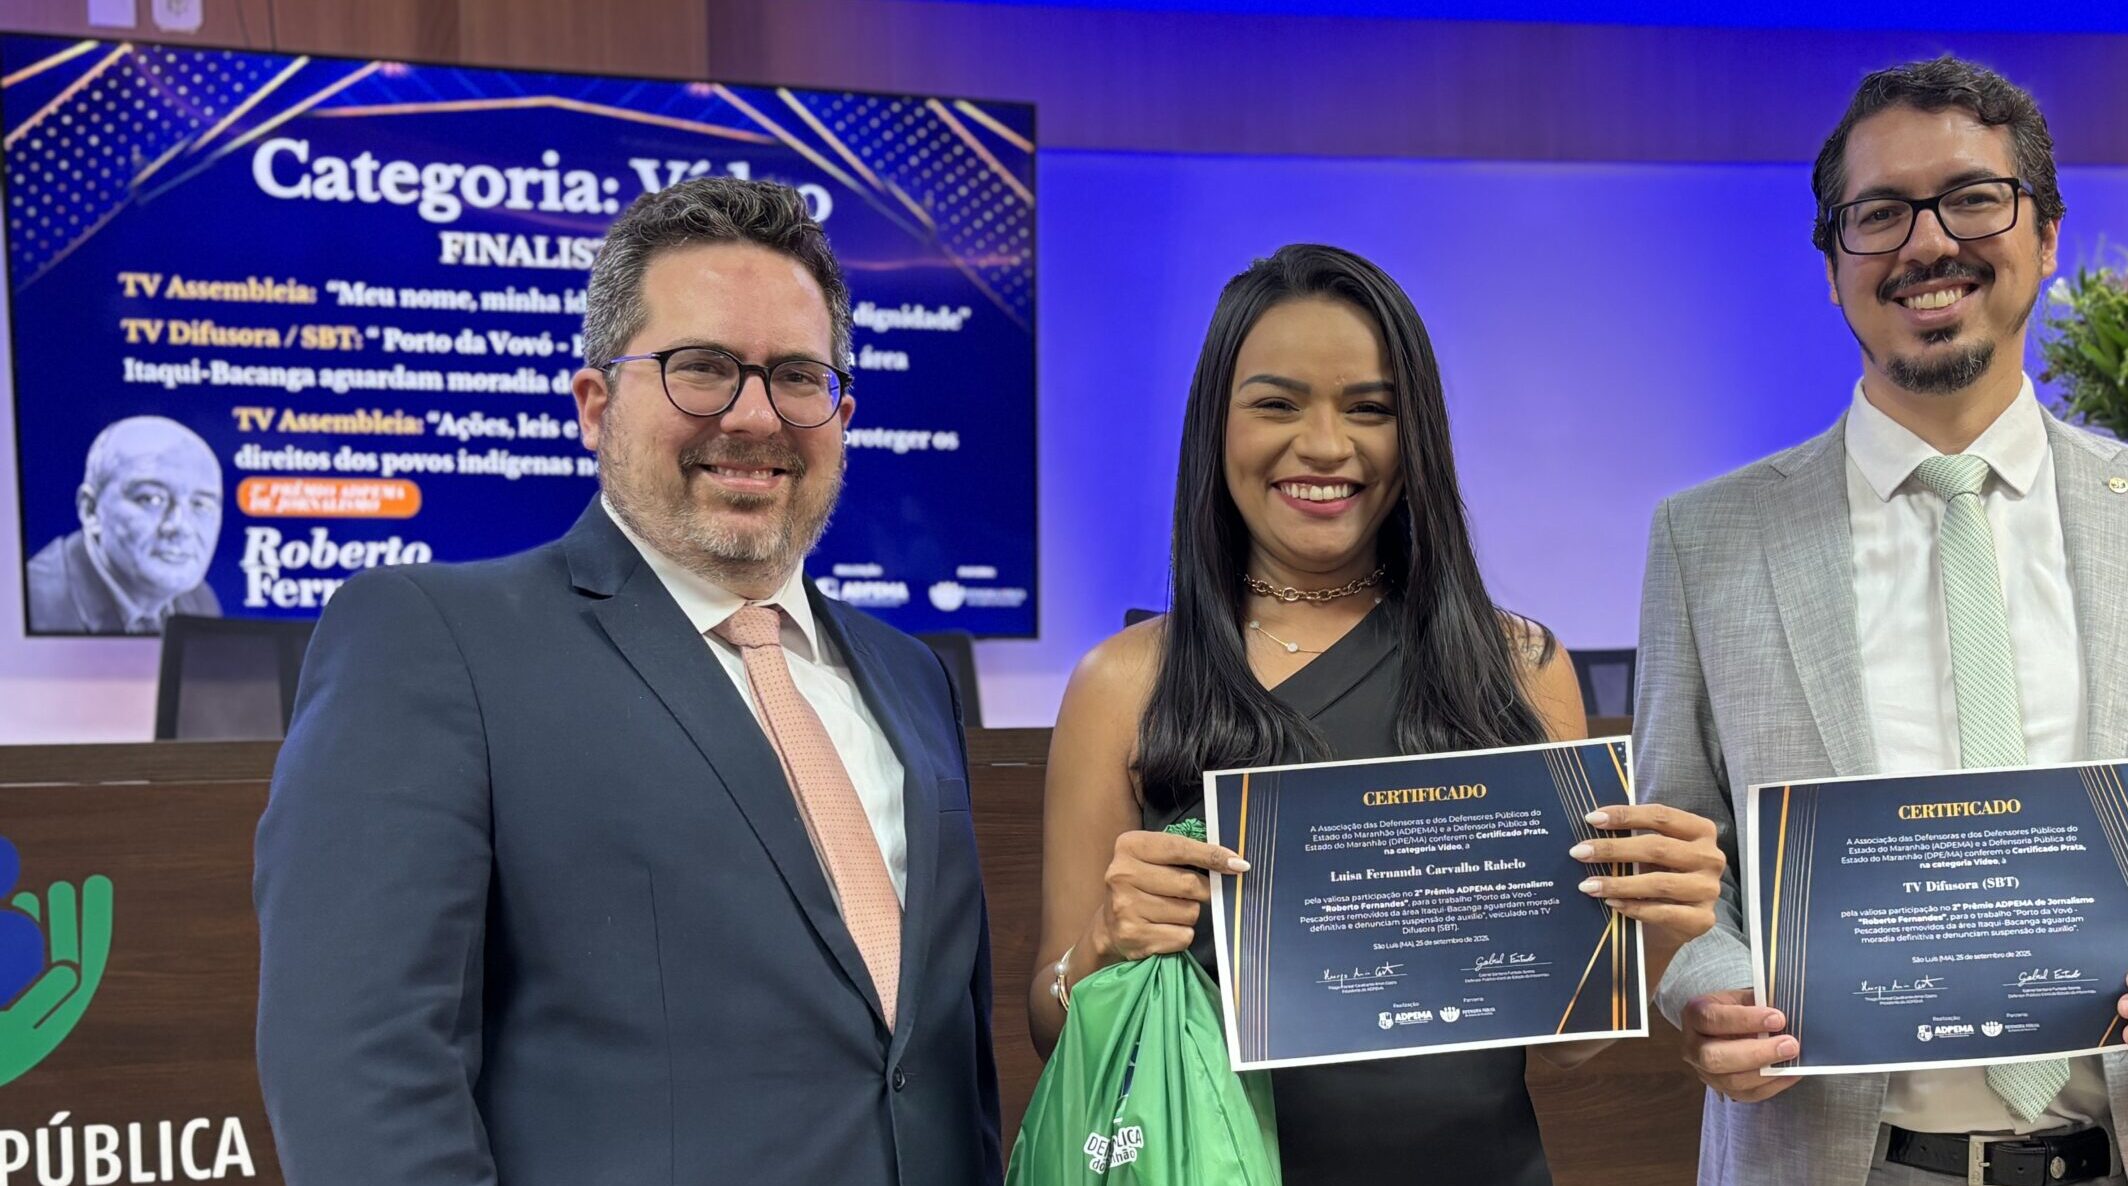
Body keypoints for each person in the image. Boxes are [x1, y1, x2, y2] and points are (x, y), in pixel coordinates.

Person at [1637, 58, 2128, 1186]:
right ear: (1833, 264)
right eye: (1878, 213)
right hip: (1830, 1156)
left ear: (2044, 235)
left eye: (1971, 198)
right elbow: (1679, 853)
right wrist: (1702, 981)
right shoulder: (1705, 539)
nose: (1924, 241)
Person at [254, 178, 1000, 1185]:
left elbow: (926, 1063)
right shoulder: (431, 640)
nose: (753, 415)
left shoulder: (912, 678)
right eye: (700, 369)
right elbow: (360, 1067)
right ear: (594, 405)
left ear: (841, 411)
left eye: (796, 376)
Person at [1029, 244, 1726, 1186]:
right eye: (1276, 404)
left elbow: (1566, 1045)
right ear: (1214, 427)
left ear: (1420, 435)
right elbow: (1052, 1023)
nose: (1324, 446)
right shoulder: (1122, 682)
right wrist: (1100, 946)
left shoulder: (1520, 667)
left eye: (1370, 408)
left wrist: (1659, 929)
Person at [26, 415, 221, 634]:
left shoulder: (198, 600)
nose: (181, 526)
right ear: (90, 510)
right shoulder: (30, 604)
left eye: (201, 505)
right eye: (151, 499)